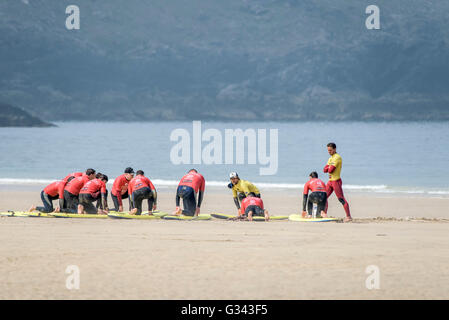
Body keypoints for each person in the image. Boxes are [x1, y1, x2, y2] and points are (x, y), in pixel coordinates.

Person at [324, 142, 352, 222]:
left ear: (335, 149)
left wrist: (328, 167)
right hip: (330, 181)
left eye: (330, 150)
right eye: (328, 151)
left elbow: (330, 170)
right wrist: (328, 168)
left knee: (341, 199)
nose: (329, 152)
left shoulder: (337, 157)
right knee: (324, 197)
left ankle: (348, 216)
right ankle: (324, 214)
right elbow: (324, 170)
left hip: (336, 181)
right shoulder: (330, 158)